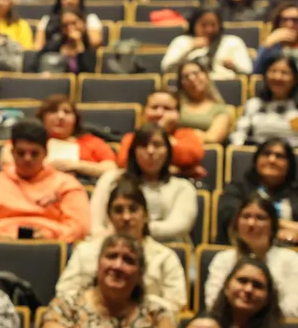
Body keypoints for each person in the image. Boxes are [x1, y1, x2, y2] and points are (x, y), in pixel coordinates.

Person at [56, 175, 188, 311]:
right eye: (118, 210)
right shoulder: (86, 251)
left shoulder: (165, 257)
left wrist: (133, 305)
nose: (126, 217)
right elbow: (64, 292)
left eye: (133, 209)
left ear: (146, 214)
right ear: (109, 216)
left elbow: (177, 303)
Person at [0, 120, 90, 242]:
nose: (27, 159)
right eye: (21, 153)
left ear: (46, 153)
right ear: (12, 153)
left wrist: (51, 236)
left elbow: (80, 227)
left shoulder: (67, 185)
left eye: (34, 153)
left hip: (50, 248)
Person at [203, 193, 298, 318]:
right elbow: (213, 304)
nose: (251, 223)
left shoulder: (292, 260)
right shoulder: (222, 259)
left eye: (260, 218)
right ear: (236, 223)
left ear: (273, 225)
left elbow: (295, 308)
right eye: (245, 216)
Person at [216, 139, 298, 250]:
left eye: (280, 156)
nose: (272, 160)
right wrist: (280, 227)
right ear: (256, 160)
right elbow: (229, 217)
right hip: (243, 252)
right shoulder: (238, 188)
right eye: (266, 154)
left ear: (290, 164)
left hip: (291, 255)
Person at [90, 124, 197, 243]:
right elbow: (95, 226)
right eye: (143, 146)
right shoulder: (111, 179)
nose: (150, 151)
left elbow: (178, 227)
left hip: (168, 249)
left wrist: (126, 228)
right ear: (133, 151)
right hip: (115, 247)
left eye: (157, 145)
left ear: (168, 151)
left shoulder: (183, 187)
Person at [43, 234, 175, 328]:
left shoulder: (156, 314)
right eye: (111, 256)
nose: (117, 266)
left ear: (140, 274)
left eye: (128, 260)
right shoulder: (66, 308)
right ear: (98, 264)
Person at [0, 95, 117, 181]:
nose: (60, 116)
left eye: (67, 112)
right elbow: (6, 161)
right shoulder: (29, 139)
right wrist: (40, 167)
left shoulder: (91, 142)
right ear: (43, 117)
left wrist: (75, 165)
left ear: (76, 119)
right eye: (53, 111)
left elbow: (111, 169)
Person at [229, 55, 298, 149]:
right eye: (273, 71)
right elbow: (238, 136)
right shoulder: (255, 104)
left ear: (295, 78)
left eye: (284, 73)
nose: (277, 77)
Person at [161, 8, 252, 79]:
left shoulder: (232, 42)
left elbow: (248, 71)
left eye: (213, 24)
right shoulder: (182, 42)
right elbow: (166, 68)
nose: (209, 30)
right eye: (204, 25)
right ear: (194, 24)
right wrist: (189, 48)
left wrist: (234, 66)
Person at [206, 258, 283, 328]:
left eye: (257, 285)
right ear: (226, 286)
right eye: (242, 281)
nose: (248, 289)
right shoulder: (204, 325)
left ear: (268, 298)